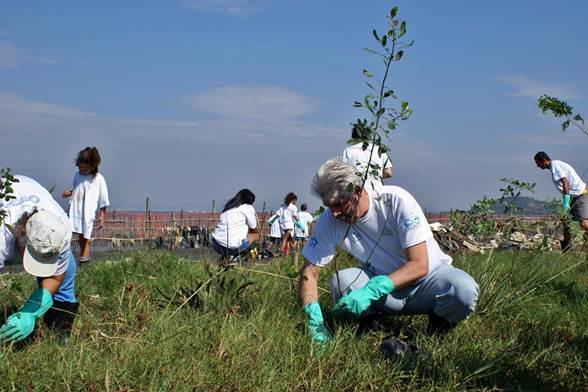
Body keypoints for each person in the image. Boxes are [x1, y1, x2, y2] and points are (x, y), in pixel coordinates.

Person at [299, 159, 479, 349]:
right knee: (341, 281)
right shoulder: (330, 220)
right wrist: (314, 321)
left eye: (339, 204)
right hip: (386, 291)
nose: (334, 213)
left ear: (357, 191)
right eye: (329, 206)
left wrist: (371, 291)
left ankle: (435, 334)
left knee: (463, 289)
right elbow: (309, 273)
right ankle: (371, 330)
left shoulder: (395, 202)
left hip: (428, 283)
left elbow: (419, 265)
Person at [0, 176, 78, 344]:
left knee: (67, 271)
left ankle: (60, 334)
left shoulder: (61, 229)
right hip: (12, 194)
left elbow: (56, 277)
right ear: (21, 238)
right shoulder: (2, 237)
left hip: (31, 188)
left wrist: (29, 313)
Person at [63, 147, 110, 264]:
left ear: (93, 167)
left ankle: (84, 261)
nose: (82, 171)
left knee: (85, 237)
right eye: (80, 168)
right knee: (77, 236)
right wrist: (70, 192)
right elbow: (78, 189)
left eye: (85, 169)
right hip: (75, 210)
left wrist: (102, 216)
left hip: (87, 212)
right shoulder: (77, 175)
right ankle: (72, 259)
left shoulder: (98, 179)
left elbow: (103, 199)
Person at [534, 151, 588, 251]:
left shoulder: (555, 165)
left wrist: (566, 201)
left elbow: (565, 182)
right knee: (566, 222)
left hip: (580, 195)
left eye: (537, 163)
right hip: (573, 197)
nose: (537, 166)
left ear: (543, 160)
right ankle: (567, 250)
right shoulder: (555, 166)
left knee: (584, 223)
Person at [340, 124, 393, 190]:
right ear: (368, 135)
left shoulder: (348, 151)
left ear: (353, 137)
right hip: (377, 190)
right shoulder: (379, 150)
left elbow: (342, 172)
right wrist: (372, 176)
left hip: (356, 190)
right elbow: (388, 172)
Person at [211, 189, 259, 258]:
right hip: (233, 248)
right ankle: (250, 258)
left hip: (216, 244)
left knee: (229, 240)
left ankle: (225, 259)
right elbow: (253, 228)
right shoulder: (248, 207)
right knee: (256, 236)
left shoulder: (228, 207)